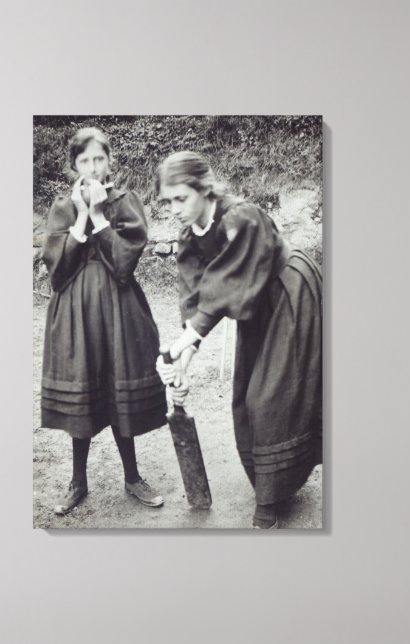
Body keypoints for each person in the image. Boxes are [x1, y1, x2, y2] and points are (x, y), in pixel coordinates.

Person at [155, 151, 322, 529]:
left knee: (272, 398)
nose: (174, 209)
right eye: (168, 202)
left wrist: (182, 344)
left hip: (287, 295)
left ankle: (269, 500)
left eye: (181, 198)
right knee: (246, 397)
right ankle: (272, 484)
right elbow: (197, 303)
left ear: (204, 188)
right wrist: (181, 365)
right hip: (254, 306)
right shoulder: (189, 236)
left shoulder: (241, 218)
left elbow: (226, 290)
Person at [40, 127, 167, 516]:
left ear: (110, 161)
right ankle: (78, 482)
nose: (93, 168)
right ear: (73, 165)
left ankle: (133, 477)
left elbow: (125, 264)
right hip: (75, 315)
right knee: (83, 390)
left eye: (99, 159)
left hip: (118, 311)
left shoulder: (126, 203)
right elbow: (58, 274)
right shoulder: (62, 207)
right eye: (84, 160)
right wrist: (81, 215)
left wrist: (98, 215)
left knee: (117, 388)